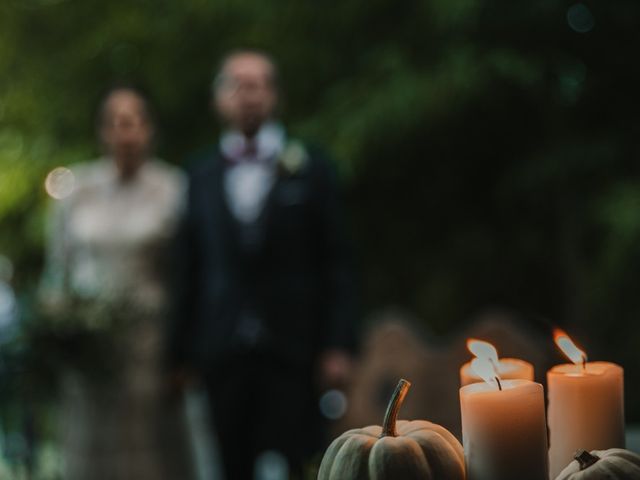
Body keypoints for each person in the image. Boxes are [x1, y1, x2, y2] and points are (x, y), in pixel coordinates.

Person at [169, 50, 357, 479]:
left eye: (258, 84)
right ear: (219, 99)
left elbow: (337, 261)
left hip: (296, 347)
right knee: (229, 464)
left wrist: (338, 344)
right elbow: (189, 269)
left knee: (303, 462)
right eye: (236, 84)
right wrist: (180, 353)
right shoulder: (198, 175)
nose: (248, 95)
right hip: (222, 349)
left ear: (275, 96)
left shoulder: (312, 167)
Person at [39, 86, 193, 480]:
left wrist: (183, 350)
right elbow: (58, 269)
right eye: (116, 123)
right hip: (89, 352)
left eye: (134, 122)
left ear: (149, 129)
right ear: (103, 130)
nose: (126, 132)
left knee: (151, 450)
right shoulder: (76, 191)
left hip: (150, 347)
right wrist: (58, 324)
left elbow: (187, 275)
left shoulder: (174, 188)